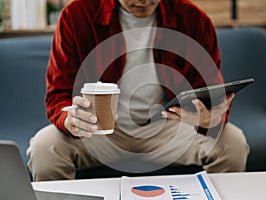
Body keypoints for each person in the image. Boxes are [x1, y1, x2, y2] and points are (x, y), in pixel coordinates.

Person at [27, 0, 250, 181]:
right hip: (99, 132)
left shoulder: (194, 20)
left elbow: (212, 93)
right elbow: (58, 95)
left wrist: (209, 119)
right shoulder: (76, 16)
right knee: (45, 148)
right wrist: (70, 119)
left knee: (232, 143)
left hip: (169, 128)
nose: (143, 1)